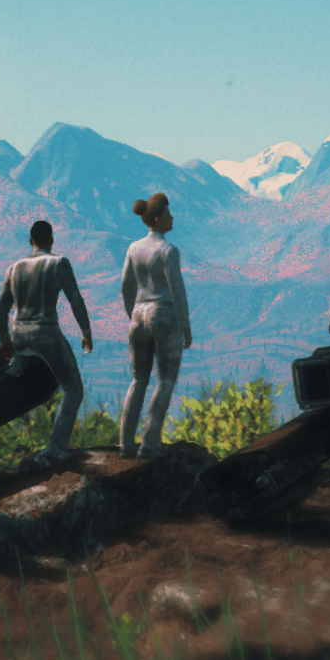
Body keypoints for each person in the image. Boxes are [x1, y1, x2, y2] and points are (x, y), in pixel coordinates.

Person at [0, 219, 93, 475]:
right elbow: (75, 299)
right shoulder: (58, 263)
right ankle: (57, 447)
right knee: (73, 389)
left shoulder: (14, 267)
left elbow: (0, 309)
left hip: (18, 334)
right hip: (45, 333)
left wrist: (5, 340)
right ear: (51, 240)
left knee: (13, 379)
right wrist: (85, 331)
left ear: (31, 241)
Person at [119, 192, 192, 459]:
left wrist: (132, 313)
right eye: (169, 214)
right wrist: (185, 324)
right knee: (166, 380)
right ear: (159, 218)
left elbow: (126, 285)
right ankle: (149, 441)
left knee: (138, 380)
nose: (172, 218)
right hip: (164, 314)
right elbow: (177, 289)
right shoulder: (168, 251)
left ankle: (126, 443)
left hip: (139, 314)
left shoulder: (133, 248)